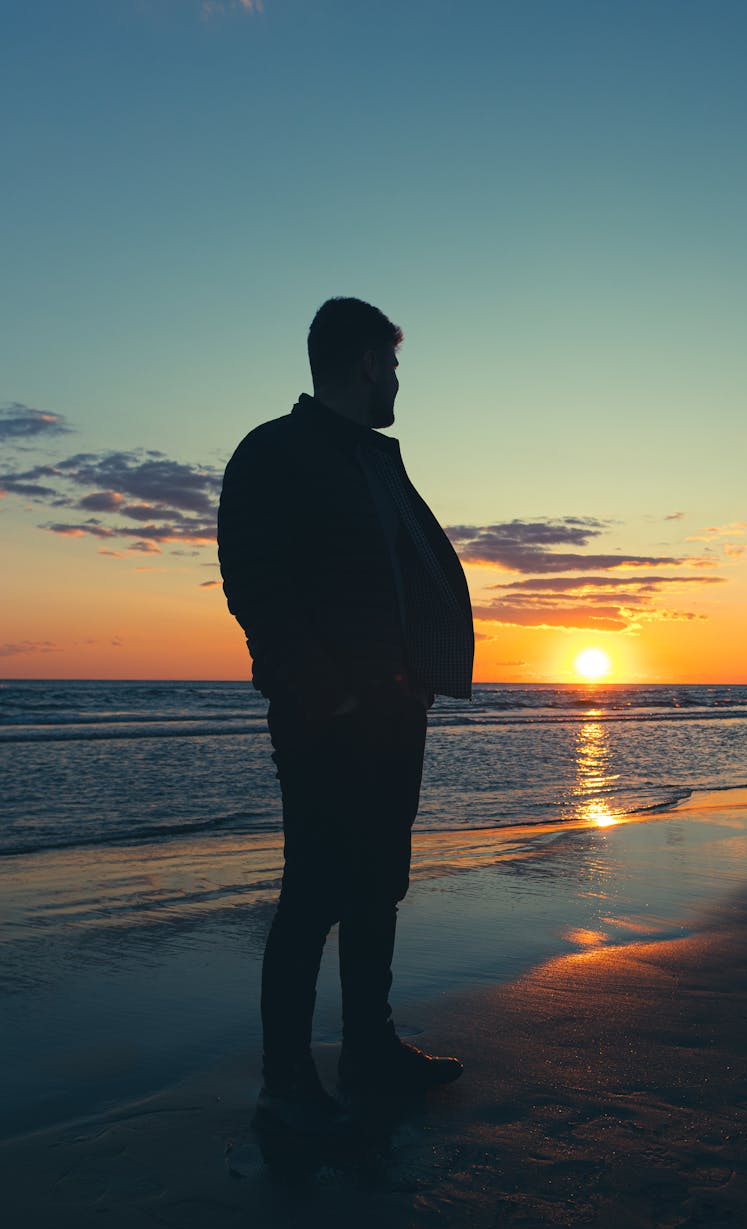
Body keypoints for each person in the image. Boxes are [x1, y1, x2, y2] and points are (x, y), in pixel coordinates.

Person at [218, 297, 474, 1137]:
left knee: (379, 886)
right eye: (393, 365)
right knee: (314, 893)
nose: (398, 381)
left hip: (395, 711)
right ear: (367, 362)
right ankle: (285, 1082)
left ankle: (369, 1050)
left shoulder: (374, 462)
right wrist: (326, 691)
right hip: (326, 716)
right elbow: (256, 584)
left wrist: (415, 681)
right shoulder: (275, 451)